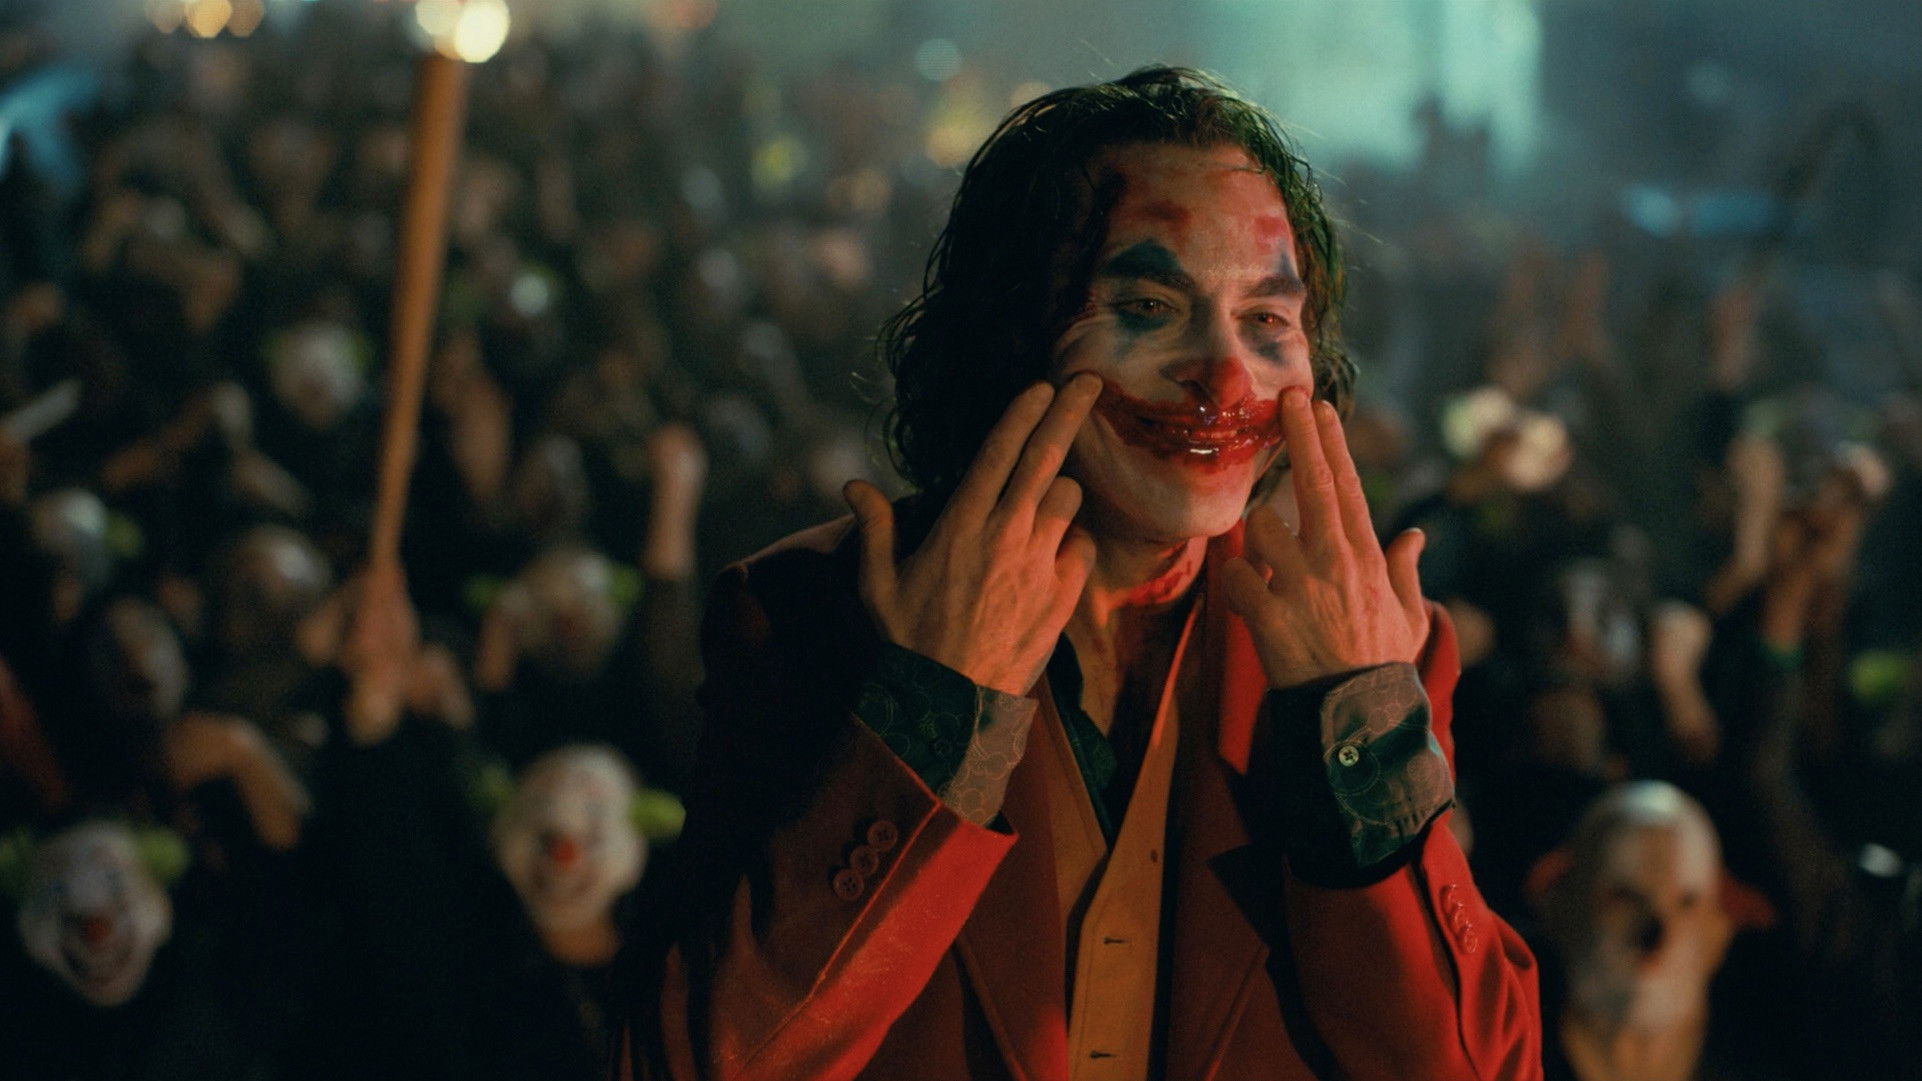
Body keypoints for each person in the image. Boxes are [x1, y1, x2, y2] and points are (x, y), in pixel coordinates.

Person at [617, 67, 1540, 1081]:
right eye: (1147, 305)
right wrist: (926, 719)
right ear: (1011, 330)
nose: (1222, 378)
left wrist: (1360, 725)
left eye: (1266, 321)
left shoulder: (1376, 643)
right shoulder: (805, 613)